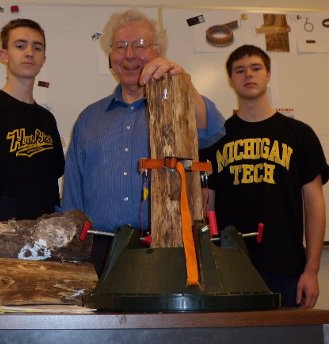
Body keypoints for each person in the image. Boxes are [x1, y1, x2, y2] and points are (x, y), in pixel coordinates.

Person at [60, 9, 225, 275]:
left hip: (165, 246)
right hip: (98, 250)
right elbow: (72, 197)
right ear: (110, 58)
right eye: (120, 46)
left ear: (159, 53)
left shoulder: (178, 108)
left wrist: (181, 81)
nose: (129, 55)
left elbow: (211, 131)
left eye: (140, 45)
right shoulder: (89, 118)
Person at [202, 44, 328, 308]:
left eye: (256, 68)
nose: (249, 75)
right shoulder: (215, 137)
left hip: (287, 268)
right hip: (230, 269)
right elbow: (207, 206)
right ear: (231, 80)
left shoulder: (299, 134)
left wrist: (311, 270)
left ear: (268, 75)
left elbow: (315, 204)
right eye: (240, 70)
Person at [0, 18, 64, 222]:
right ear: (4, 55)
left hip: (42, 243)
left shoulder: (47, 119)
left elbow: (52, 190)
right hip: (1, 240)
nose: (29, 52)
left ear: (43, 59)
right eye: (20, 45)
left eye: (37, 47)